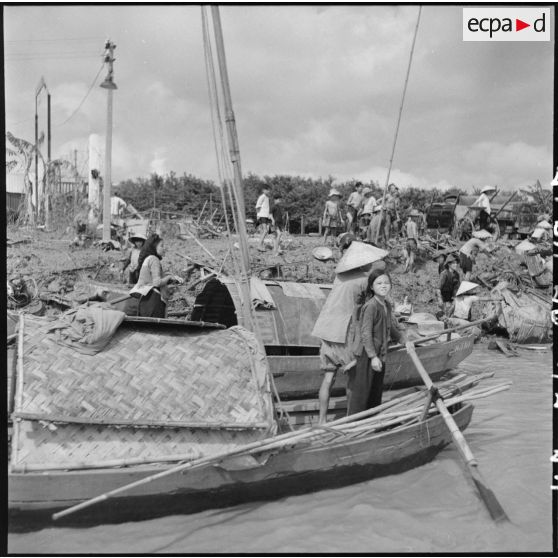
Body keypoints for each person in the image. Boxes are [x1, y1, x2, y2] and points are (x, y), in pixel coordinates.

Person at [311, 241, 387, 423]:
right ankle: (350, 420)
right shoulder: (364, 281)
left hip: (325, 329)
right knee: (354, 379)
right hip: (344, 332)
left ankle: (321, 421)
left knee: (329, 378)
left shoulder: (340, 277)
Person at [350, 270, 403, 415]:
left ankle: (372, 421)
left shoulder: (386, 304)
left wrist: (404, 340)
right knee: (362, 392)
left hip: (380, 353)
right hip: (368, 354)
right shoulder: (371, 306)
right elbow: (365, 333)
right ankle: (355, 424)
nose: (383, 286)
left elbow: (390, 327)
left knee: (375, 391)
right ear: (372, 287)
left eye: (386, 283)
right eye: (379, 283)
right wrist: (373, 357)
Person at [125, 234, 182, 318]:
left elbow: (152, 278)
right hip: (153, 301)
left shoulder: (148, 259)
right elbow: (157, 283)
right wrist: (169, 277)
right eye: (162, 246)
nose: (164, 248)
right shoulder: (154, 260)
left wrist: (168, 277)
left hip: (145, 299)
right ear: (154, 247)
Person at [256, 185, 272, 251]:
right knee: (265, 231)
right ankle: (259, 246)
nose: (268, 191)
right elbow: (257, 206)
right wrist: (258, 215)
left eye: (269, 190)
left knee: (263, 231)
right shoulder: (262, 197)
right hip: (262, 215)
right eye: (267, 190)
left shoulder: (267, 197)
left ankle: (261, 246)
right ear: (263, 190)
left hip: (265, 215)